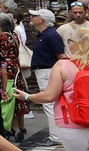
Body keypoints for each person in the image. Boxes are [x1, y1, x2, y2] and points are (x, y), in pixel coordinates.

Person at [26, 9, 65, 138]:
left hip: (48, 71)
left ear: (42, 20)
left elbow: (61, 55)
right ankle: (56, 135)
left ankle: (56, 136)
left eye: (34, 16)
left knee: (49, 103)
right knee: (50, 104)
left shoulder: (50, 35)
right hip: (45, 70)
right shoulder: (45, 35)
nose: (31, 17)